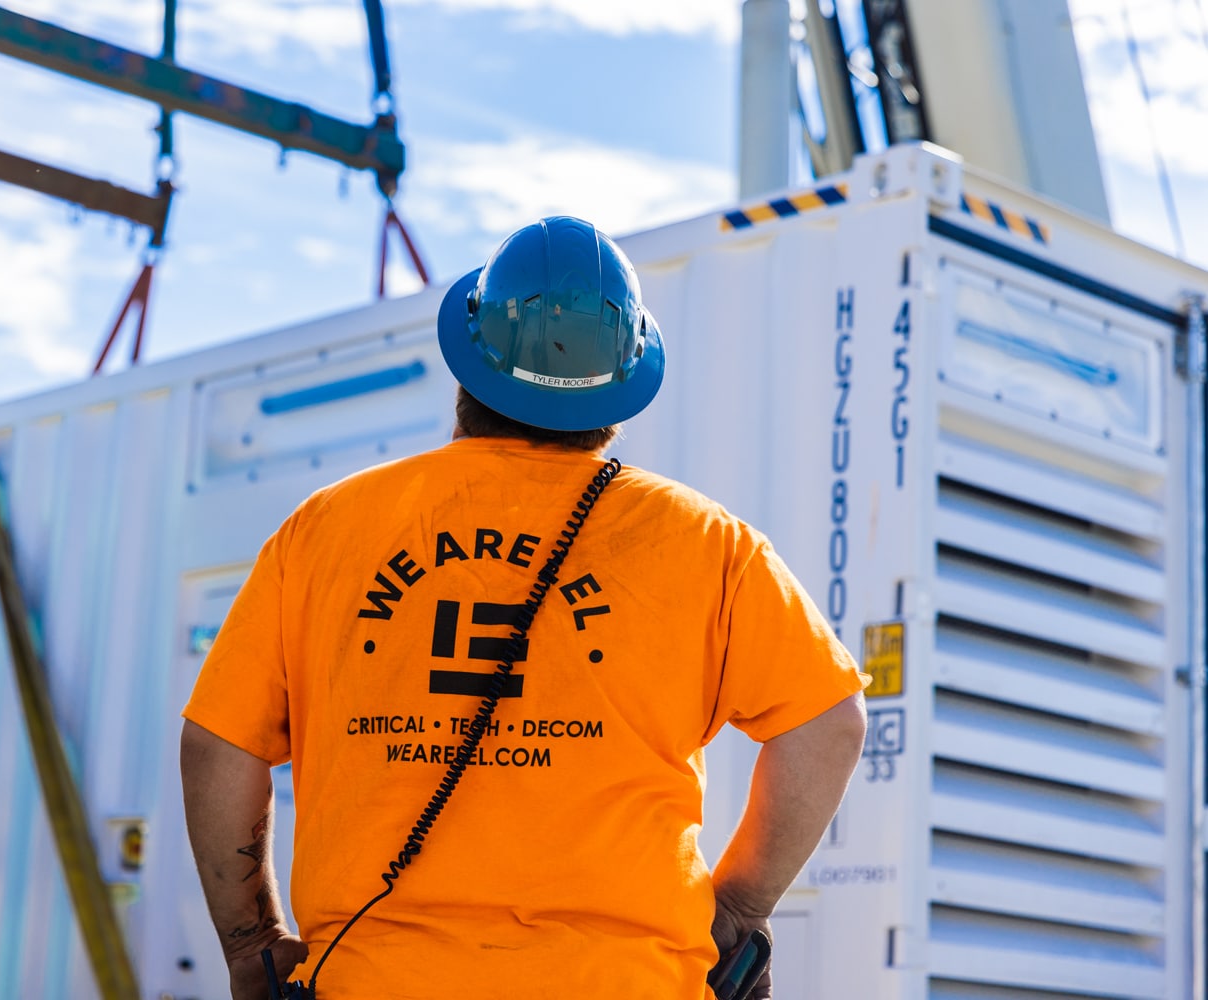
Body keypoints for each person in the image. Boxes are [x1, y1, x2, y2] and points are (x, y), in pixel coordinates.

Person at [181, 216, 869, 1000]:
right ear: (622, 385)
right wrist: (740, 905)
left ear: (470, 365)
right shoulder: (708, 543)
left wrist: (252, 944)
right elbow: (829, 725)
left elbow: (217, 745)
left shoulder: (325, 530)